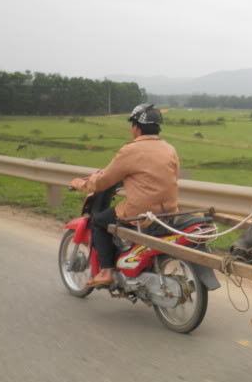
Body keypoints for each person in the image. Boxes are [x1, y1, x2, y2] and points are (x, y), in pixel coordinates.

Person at [69, 104, 180, 287]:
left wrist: (80, 184)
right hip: (169, 211)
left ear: (135, 127)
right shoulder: (170, 149)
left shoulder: (131, 150)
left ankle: (106, 272)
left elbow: (103, 180)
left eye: (131, 126)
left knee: (99, 221)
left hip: (141, 213)